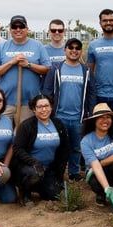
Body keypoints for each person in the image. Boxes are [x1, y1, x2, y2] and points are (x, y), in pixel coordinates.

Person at [41, 37, 96, 181]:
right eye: (70, 47)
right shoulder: (56, 69)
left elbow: (91, 93)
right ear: (65, 50)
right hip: (59, 116)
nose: (74, 50)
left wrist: (89, 113)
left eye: (77, 48)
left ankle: (73, 172)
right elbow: (47, 91)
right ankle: (56, 173)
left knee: (76, 147)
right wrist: (50, 112)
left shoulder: (86, 71)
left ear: (81, 51)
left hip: (79, 117)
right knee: (58, 146)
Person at [11, 94, 70, 205]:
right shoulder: (27, 126)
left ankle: (39, 187)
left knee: (54, 195)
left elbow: (64, 149)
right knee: (34, 174)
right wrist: (34, 162)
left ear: (51, 107)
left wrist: (59, 174)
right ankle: (25, 194)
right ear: (34, 109)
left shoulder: (58, 124)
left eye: (46, 106)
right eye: (40, 107)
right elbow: (18, 149)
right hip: (28, 167)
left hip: (48, 169)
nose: (44, 110)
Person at [0, 15, 51, 124]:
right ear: (10, 30)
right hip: (6, 102)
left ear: (27, 29)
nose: (18, 29)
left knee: (24, 137)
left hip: (29, 103)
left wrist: (28, 64)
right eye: (14, 27)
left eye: (21, 26)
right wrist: (11, 62)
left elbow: (47, 69)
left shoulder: (37, 46)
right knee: (4, 135)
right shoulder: (2, 47)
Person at [80, 103, 113, 208]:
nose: (105, 121)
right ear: (94, 121)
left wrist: (102, 162)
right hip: (96, 171)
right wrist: (107, 188)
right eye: (100, 118)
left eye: (108, 117)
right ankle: (101, 194)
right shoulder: (86, 141)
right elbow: (95, 166)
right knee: (95, 181)